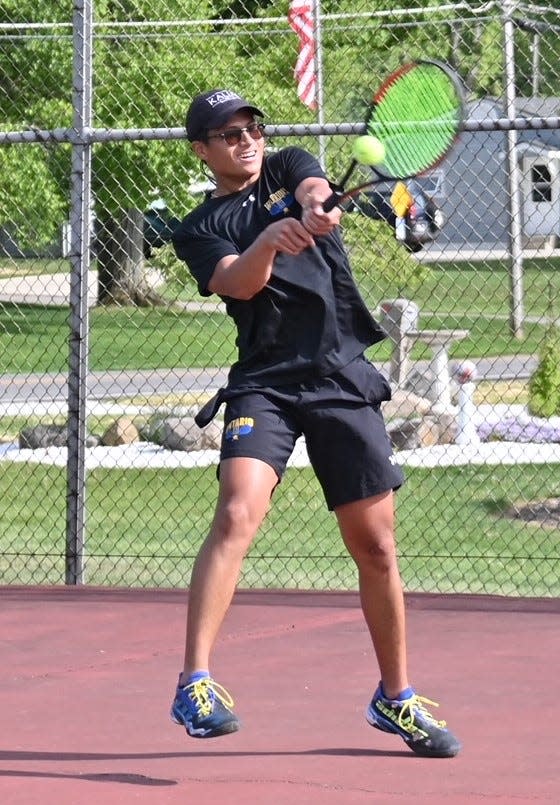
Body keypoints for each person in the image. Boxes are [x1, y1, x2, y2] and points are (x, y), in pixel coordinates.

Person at [170, 88, 461, 758]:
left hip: (338, 376)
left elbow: (311, 185)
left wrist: (307, 207)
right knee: (238, 510)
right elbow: (238, 282)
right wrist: (270, 240)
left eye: (252, 127)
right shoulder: (198, 227)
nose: (246, 138)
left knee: (377, 545)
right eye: (228, 132)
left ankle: (396, 697)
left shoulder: (287, 165)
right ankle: (195, 682)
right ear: (202, 149)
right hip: (265, 383)